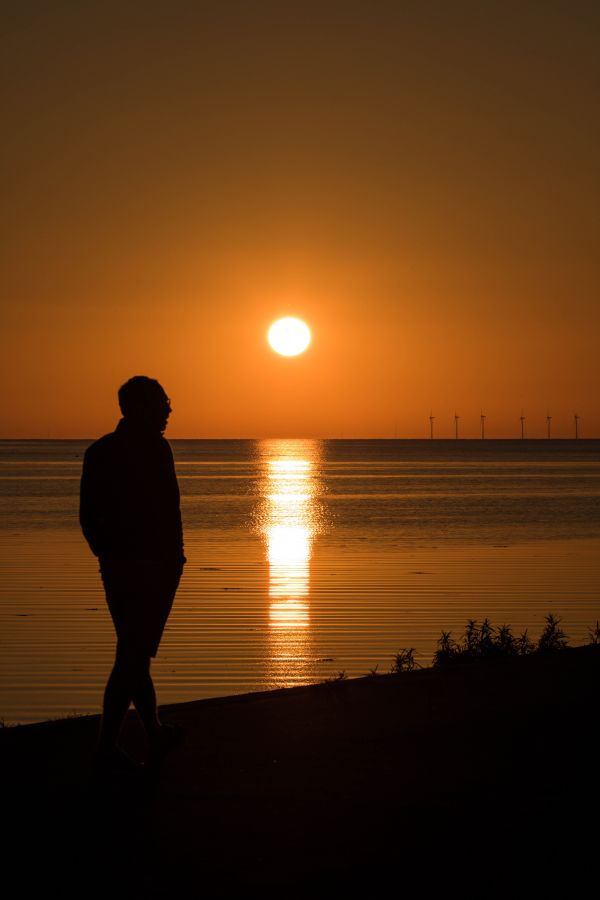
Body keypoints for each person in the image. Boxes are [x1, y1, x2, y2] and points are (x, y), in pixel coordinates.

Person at [80, 375, 186, 773]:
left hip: (120, 566)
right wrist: (172, 559)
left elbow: (88, 518)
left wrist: (107, 555)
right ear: (140, 407)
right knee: (131, 655)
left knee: (133, 650)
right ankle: (106, 747)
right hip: (150, 566)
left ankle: (153, 730)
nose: (169, 409)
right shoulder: (155, 449)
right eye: (162, 402)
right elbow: (166, 511)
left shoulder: (99, 451)